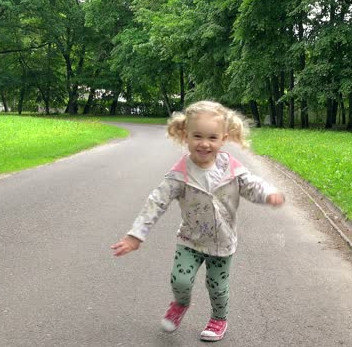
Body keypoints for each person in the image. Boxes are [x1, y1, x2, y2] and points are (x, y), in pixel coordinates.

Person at [111, 100, 286, 342]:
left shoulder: (231, 169)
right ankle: (180, 303)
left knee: (217, 287)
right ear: (185, 136)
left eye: (212, 137)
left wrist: (268, 194)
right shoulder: (180, 174)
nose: (204, 143)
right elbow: (156, 201)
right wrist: (136, 234)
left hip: (223, 243)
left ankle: (218, 318)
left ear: (223, 138)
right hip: (190, 240)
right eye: (198, 136)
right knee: (180, 279)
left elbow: (251, 185)